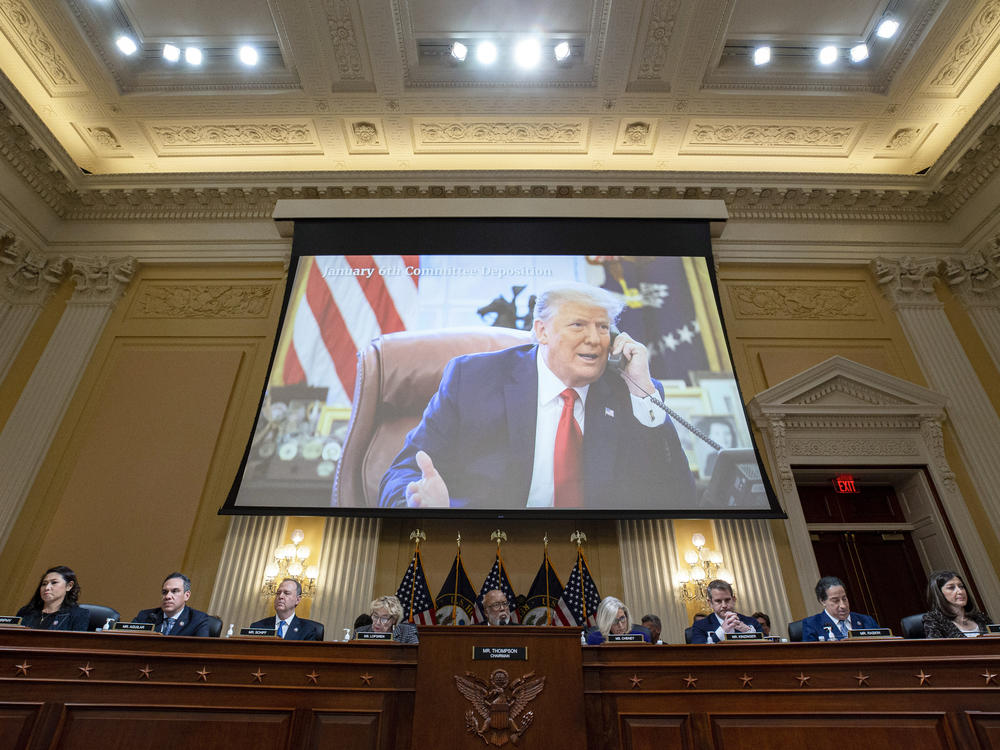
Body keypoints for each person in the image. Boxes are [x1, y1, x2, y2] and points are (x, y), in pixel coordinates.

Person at [379, 283, 696, 509]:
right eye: (578, 325)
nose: (594, 339)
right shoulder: (474, 380)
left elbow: (676, 494)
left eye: (603, 327)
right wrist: (416, 502)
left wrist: (643, 393)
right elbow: (403, 471)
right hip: (484, 542)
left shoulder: (629, 391)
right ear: (542, 331)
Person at [132, 572, 213, 636]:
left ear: (186, 596)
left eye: (174, 591)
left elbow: (199, 652)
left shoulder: (198, 620)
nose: (167, 596)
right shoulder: (145, 617)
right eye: (164, 592)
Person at [801, 576, 879, 641]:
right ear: (822, 601)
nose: (843, 606)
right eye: (836, 601)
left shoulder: (867, 621)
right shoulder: (812, 624)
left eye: (844, 599)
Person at [16, 565, 89, 631]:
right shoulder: (26, 612)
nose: (47, 588)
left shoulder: (78, 614)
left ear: (69, 586)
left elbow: (76, 643)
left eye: (54, 583)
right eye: (44, 584)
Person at [921, 570, 992, 638]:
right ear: (939, 593)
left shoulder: (980, 617)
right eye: (951, 588)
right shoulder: (934, 620)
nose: (960, 591)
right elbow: (936, 649)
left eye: (961, 586)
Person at [249, 578, 323, 640]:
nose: (280, 596)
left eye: (286, 593)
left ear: (297, 600)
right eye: (278, 593)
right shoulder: (258, 627)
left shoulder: (308, 629)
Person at [689, 580, 760, 643]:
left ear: (734, 600)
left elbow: (765, 648)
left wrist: (749, 632)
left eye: (727, 600)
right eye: (718, 601)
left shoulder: (752, 622)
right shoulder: (699, 626)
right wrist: (722, 631)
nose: (724, 605)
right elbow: (699, 653)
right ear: (710, 603)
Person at [354, 595, 418, 643]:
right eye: (375, 616)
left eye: (384, 619)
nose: (378, 622)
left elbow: (415, 656)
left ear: (394, 620)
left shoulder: (407, 632)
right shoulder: (360, 632)